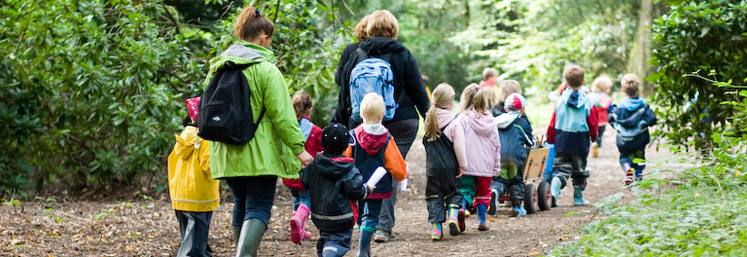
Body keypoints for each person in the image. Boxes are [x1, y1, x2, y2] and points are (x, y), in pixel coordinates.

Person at [205, 6, 314, 257]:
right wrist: (299, 149)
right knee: (259, 205)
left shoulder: (218, 66)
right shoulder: (266, 69)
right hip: (259, 154)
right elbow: (283, 116)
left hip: (224, 149)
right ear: (264, 37)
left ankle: (244, 253)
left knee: (241, 203)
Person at [333, 9, 430, 243]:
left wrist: (337, 124)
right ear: (394, 29)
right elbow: (418, 90)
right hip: (401, 120)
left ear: (368, 29)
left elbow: (343, 91)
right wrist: (432, 120)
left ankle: (364, 220)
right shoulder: (402, 52)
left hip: (362, 121)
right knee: (390, 169)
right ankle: (383, 228)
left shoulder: (355, 52)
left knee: (362, 170)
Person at [343, 93, 407, 257]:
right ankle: (363, 251)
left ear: (361, 114)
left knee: (362, 215)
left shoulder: (352, 136)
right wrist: (402, 175)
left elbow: (344, 159)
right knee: (371, 217)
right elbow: (396, 164)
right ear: (381, 115)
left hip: (357, 184)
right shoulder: (387, 138)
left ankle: (365, 249)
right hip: (377, 187)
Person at [300, 123, 375, 257]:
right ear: (346, 146)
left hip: (319, 215)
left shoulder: (315, 164)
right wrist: (367, 189)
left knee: (326, 237)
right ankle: (330, 252)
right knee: (338, 242)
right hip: (342, 216)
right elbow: (356, 191)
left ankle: (325, 251)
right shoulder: (348, 168)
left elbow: (305, 181)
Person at [168, 97, 220, 257]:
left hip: (181, 196)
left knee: (190, 238)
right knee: (194, 246)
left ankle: (205, 253)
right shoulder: (205, 137)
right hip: (199, 196)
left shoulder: (182, 137)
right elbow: (209, 166)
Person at [546, 65, 598, 207]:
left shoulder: (560, 100)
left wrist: (551, 138)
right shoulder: (588, 101)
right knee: (579, 170)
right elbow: (593, 122)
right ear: (584, 81)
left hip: (562, 138)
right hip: (580, 140)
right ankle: (578, 197)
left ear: (566, 83)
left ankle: (555, 190)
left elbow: (553, 122)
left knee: (561, 168)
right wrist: (594, 137)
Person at [422, 83, 467, 240]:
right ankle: (453, 217)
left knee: (434, 196)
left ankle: (436, 230)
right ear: (451, 101)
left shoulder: (429, 121)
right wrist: (462, 165)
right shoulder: (455, 123)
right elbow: (459, 147)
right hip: (450, 167)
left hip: (432, 168)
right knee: (454, 192)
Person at [282, 92, 325, 244]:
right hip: (306, 174)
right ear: (309, 109)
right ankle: (299, 220)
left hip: (289, 173)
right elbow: (322, 148)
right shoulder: (315, 131)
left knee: (296, 198)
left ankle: (299, 229)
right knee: (306, 200)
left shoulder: (286, 128)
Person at [458, 84, 501, 231]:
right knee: (483, 193)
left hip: (466, 164)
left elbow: (456, 142)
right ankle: (482, 220)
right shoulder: (491, 121)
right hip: (486, 165)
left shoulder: (461, 120)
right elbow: (497, 145)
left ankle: (462, 209)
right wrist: (496, 166)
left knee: (464, 190)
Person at [490, 93, 534, 217]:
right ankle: (517, 207)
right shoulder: (522, 123)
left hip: (499, 155)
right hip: (516, 157)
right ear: (523, 109)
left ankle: (494, 191)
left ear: (505, 108)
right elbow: (529, 142)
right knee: (516, 180)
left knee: (499, 179)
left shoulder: (495, 122)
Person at [608, 74, 657, 185]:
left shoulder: (620, 106)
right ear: (637, 88)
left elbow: (612, 119)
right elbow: (652, 119)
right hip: (640, 138)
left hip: (624, 140)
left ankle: (627, 168)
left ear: (623, 89)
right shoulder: (643, 105)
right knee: (639, 157)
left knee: (624, 157)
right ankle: (639, 180)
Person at [589, 76, 613, 158]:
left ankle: (593, 143)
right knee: (600, 133)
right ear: (604, 88)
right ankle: (597, 144)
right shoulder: (604, 96)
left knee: (593, 133)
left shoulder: (591, 95)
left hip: (592, 118)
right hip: (602, 119)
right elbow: (607, 106)